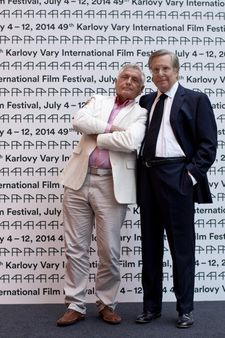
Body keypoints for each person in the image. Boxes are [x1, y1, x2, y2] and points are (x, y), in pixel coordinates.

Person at [56, 64, 147, 326]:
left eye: (135, 80)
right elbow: (78, 121)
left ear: (141, 88)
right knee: (76, 248)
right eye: (124, 77)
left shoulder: (141, 113)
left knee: (110, 251)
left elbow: (130, 142)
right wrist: (111, 130)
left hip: (112, 185)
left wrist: (97, 134)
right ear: (116, 80)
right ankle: (75, 304)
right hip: (78, 179)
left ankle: (107, 304)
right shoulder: (97, 100)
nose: (128, 81)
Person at [136, 49, 217, 328]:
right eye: (155, 70)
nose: (160, 74)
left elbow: (208, 145)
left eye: (165, 69)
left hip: (177, 176)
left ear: (176, 70)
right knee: (150, 246)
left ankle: (185, 309)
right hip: (148, 177)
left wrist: (189, 177)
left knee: (181, 247)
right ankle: (151, 307)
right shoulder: (145, 101)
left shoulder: (195, 99)